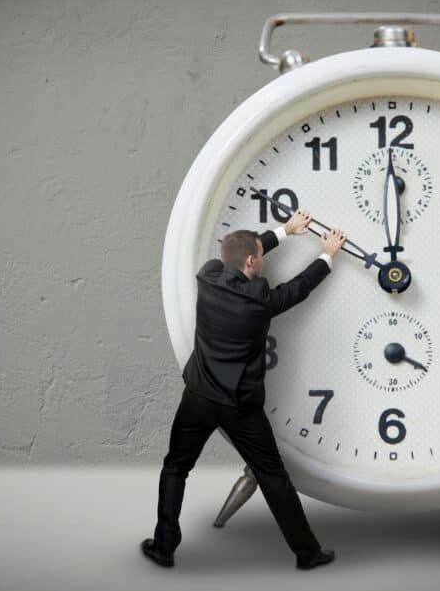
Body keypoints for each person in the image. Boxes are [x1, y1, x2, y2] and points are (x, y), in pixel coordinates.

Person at [141, 209, 346, 570]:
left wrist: (284, 232)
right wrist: (327, 254)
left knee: (176, 467)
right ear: (252, 260)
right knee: (273, 478)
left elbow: (239, 255)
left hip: (198, 397)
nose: (264, 261)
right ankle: (307, 553)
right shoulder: (260, 299)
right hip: (240, 407)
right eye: (261, 256)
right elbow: (297, 289)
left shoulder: (208, 276)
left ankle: (164, 546)